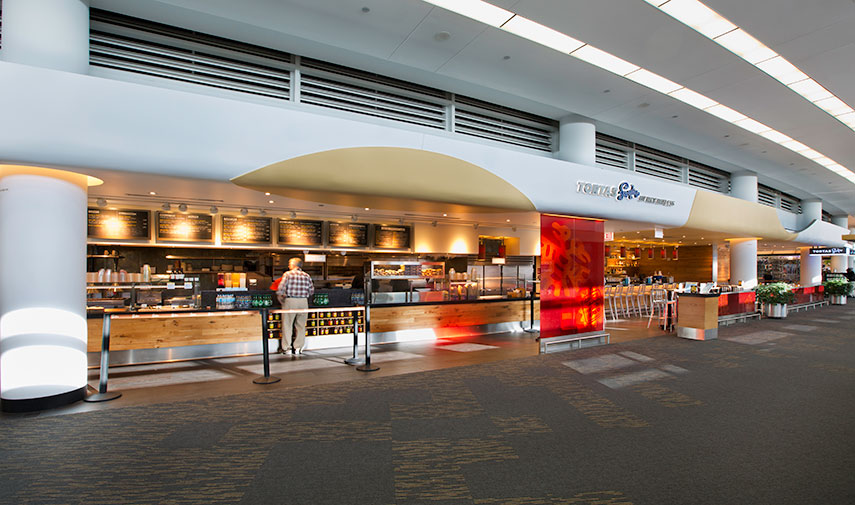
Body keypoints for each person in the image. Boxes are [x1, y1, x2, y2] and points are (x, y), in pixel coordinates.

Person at [276, 257, 314, 354]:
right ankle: (298, 348)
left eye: (289, 263)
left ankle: (287, 348)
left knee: (287, 324)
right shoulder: (306, 275)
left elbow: (281, 288)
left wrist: (280, 298)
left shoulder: (288, 274)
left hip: (290, 301)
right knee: (301, 326)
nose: (288, 265)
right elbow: (311, 291)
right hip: (303, 302)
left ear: (293, 265)